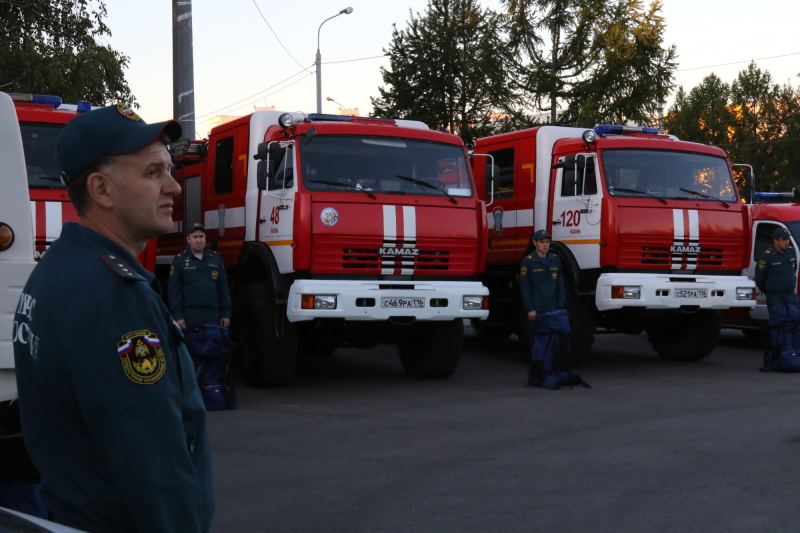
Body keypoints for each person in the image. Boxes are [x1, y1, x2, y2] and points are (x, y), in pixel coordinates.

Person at [12, 104, 214, 532]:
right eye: (152, 173)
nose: (175, 188)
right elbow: (151, 461)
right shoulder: (114, 294)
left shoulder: (53, 272)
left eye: (170, 170)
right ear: (101, 189)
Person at [169, 223, 232, 331]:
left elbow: (223, 288)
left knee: (213, 346)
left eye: (201, 236)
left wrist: (226, 313)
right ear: (188, 239)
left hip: (213, 315)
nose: (199, 240)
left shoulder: (215, 258)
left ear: (205, 238)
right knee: (191, 347)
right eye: (195, 237)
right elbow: (174, 291)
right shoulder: (179, 260)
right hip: (190, 316)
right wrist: (178, 316)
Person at [755, 227, 800, 368]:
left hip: (790, 295)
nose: (787, 242)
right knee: (778, 324)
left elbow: (792, 270)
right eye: (784, 240)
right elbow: (760, 279)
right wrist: (770, 290)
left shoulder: (791, 252)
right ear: (776, 241)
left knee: (794, 324)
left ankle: (792, 353)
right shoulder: (766, 256)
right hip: (776, 296)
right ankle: (777, 356)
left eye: (787, 239)